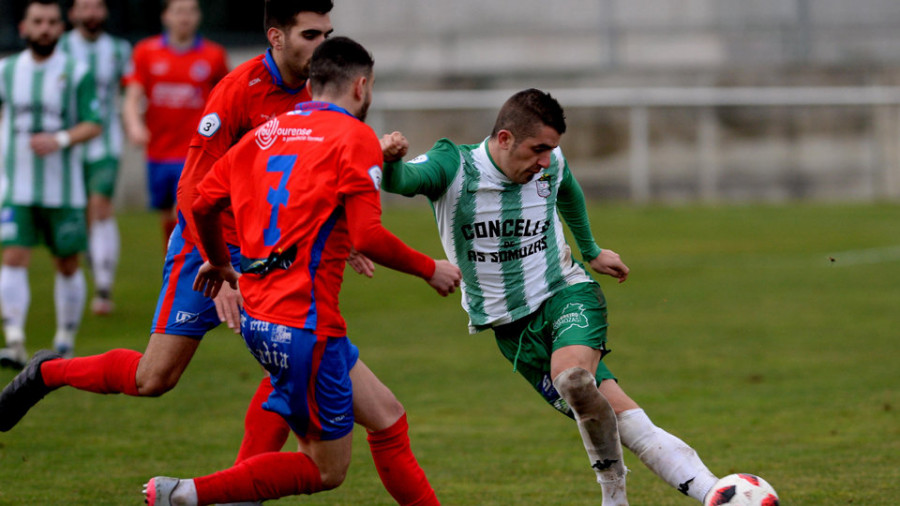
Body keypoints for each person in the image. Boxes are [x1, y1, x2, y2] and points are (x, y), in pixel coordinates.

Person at [0, 2, 443, 505]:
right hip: (207, 248)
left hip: (269, 255)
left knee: (293, 357)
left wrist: (346, 213)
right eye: (310, 34)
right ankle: (46, 372)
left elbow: (308, 182)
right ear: (276, 37)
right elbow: (194, 192)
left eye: (328, 33)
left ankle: (238, 488)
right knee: (155, 377)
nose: (322, 46)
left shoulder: (322, 93)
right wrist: (226, 270)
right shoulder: (239, 90)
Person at [142, 35, 461, 506]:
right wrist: (428, 267)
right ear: (362, 85)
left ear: (309, 86)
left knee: (388, 416)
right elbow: (368, 236)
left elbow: (203, 201)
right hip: (305, 325)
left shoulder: (264, 135)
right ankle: (185, 494)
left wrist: (221, 260)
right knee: (324, 468)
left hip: (264, 314)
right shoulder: (354, 137)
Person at [379, 89, 722, 505]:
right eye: (537, 149)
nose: (546, 160)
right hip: (512, 331)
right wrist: (391, 160)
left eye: (551, 150)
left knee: (572, 377)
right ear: (504, 139)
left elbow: (568, 191)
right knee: (611, 414)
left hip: (566, 294)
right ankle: (708, 490)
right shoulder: (454, 166)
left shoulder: (550, 164)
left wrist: (591, 251)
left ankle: (632, 497)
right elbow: (403, 182)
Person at [0, 0, 102, 368]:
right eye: (37, 21)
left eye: (52, 22)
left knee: (67, 264)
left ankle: (64, 340)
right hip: (16, 186)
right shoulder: (6, 70)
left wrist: (59, 139)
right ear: (24, 28)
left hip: (65, 189)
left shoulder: (76, 72)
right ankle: (14, 340)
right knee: (13, 256)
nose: (45, 28)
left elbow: (94, 122)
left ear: (61, 28)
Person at [122, 0, 228, 245]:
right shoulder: (146, 52)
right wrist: (134, 124)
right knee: (167, 217)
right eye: (179, 11)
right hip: (158, 151)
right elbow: (132, 95)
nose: (185, 17)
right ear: (165, 16)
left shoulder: (213, 55)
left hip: (197, 150)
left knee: (185, 211)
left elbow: (227, 97)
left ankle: (189, 267)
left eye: (191, 11)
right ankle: (173, 266)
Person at [59, 0, 132, 315]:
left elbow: (131, 90)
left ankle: (103, 288)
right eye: (84, 7)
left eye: (97, 7)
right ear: (73, 12)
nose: (91, 14)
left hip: (106, 142)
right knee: (79, 212)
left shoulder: (119, 49)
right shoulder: (59, 46)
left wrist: (133, 122)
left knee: (100, 205)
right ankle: (92, 254)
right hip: (67, 142)